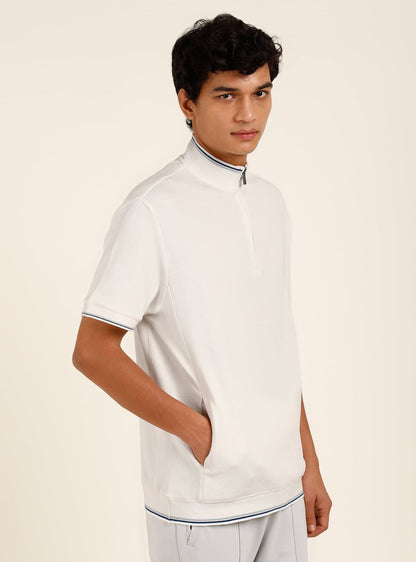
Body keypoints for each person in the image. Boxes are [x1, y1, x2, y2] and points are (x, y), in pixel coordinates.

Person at [72, 13, 332, 562]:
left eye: (261, 93)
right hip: (202, 501)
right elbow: (92, 351)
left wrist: (307, 463)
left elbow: (276, 346)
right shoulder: (151, 210)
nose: (248, 114)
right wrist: (201, 435)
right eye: (226, 95)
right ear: (187, 103)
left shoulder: (270, 202)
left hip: (284, 490)